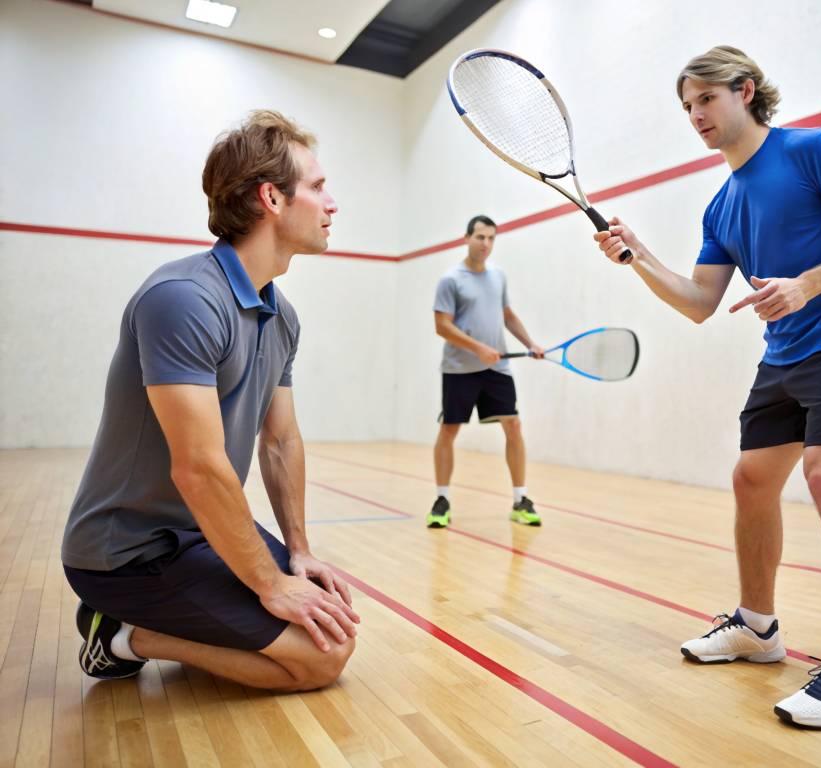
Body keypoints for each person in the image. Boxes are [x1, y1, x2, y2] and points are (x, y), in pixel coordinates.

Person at [594, 46, 821, 729]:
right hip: (785, 356)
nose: (695, 116)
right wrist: (638, 258)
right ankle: (757, 627)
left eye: (705, 99)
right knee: (751, 480)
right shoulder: (721, 206)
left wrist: (807, 283)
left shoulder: (813, 151)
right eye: (686, 107)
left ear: (744, 91)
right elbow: (698, 300)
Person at [61, 110, 360, 691]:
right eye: (318, 187)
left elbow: (278, 440)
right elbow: (197, 466)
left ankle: (162, 623)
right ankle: (122, 634)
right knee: (317, 660)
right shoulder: (183, 299)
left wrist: (298, 554)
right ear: (271, 197)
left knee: (331, 626)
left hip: (202, 532)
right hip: (126, 553)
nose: (332, 203)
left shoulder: (281, 315)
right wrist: (270, 586)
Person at [429, 215, 546, 528]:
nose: (486, 244)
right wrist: (478, 347)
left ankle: (521, 499)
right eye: (480, 237)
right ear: (467, 238)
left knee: (514, 426)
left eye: (492, 238)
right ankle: (442, 500)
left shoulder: (498, 277)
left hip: (498, 368)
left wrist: (530, 342)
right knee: (449, 430)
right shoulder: (451, 280)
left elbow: (507, 315)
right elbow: (442, 326)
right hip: (459, 369)